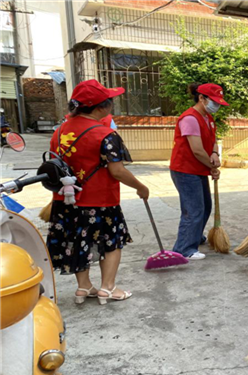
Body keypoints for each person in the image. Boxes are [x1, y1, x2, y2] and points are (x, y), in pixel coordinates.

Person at [47, 79, 149, 305]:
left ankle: (83, 287)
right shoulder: (105, 134)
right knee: (111, 242)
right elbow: (117, 171)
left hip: (66, 200)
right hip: (100, 201)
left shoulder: (59, 131)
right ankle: (108, 288)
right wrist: (141, 187)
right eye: (110, 101)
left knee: (76, 241)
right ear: (101, 107)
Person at [170, 83, 225, 260]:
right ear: (201, 98)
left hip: (198, 169)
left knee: (205, 206)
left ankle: (195, 236)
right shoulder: (190, 119)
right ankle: (184, 249)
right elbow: (197, 150)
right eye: (214, 101)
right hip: (185, 170)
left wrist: (215, 153)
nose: (217, 105)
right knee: (193, 210)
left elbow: (213, 139)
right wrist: (212, 167)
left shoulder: (207, 118)